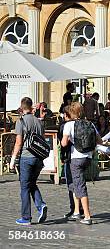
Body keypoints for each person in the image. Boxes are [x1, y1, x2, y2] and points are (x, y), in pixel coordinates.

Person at [61, 101, 101, 225]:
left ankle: (87, 216)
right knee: (75, 183)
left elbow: (63, 143)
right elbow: (99, 140)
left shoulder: (69, 125)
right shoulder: (90, 124)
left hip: (76, 158)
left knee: (80, 185)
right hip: (88, 157)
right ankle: (77, 211)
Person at [10, 97, 48, 226]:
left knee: (24, 187)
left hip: (26, 157)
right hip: (38, 157)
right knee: (32, 183)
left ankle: (26, 217)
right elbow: (42, 140)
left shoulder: (20, 121)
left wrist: (13, 159)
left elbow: (18, 142)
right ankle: (41, 205)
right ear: (31, 107)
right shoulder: (38, 121)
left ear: (21, 107)